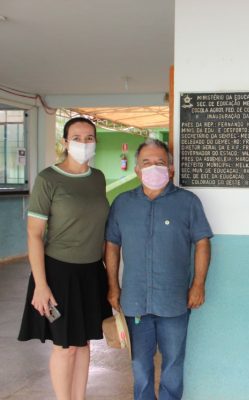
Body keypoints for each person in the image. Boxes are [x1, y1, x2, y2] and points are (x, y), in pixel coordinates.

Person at [104, 139, 212, 400]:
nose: (153, 167)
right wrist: (113, 287)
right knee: (140, 366)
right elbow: (112, 245)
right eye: (146, 163)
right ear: (137, 170)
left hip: (174, 301)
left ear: (171, 169)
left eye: (160, 163)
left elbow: (202, 242)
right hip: (135, 301)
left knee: (173, 363)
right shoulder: (122, 203)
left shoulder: (188, 202)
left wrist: (198, 285)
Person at [18, 117, 112, 400]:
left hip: (91, 272)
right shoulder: (48, 179)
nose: (84, 143)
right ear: (65, 142)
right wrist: (41, 285)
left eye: (89, 138)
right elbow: (34, 234)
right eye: (77, 138)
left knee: (83, 344)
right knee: (65, 346)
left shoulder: (97, 178)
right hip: (58, 274)